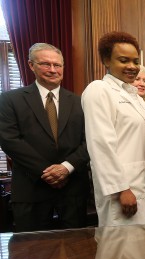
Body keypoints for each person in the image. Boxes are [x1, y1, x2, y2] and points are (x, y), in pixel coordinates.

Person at [0, 43, 89, 232]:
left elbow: (90, 140)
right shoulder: (9, 100)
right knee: (33, 255)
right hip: (31, 189)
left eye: (57, 65)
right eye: (45, 64)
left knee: (78, 252)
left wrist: (66, 168)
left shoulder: (81, 102)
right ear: (31, 65)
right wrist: (47, 172)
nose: (52, 70)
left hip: (72, 189)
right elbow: (10, 140)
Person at [82, 31, 145, 226]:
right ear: (106, 60)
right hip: (122, 191)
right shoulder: (98, 90)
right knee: (122, 249)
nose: (132, 67)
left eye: (135, 61)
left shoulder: (136, 97)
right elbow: (101, 144)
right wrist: (121, 189)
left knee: (143, 249)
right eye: (124, 60)